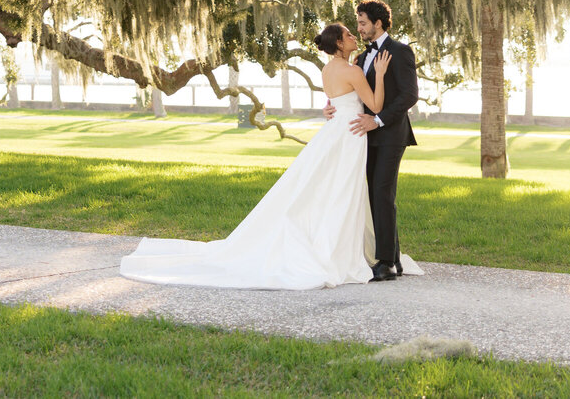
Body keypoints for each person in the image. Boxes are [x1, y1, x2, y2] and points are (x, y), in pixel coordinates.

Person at [117, 22, 390, 289]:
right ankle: (336, 251)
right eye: (349, 34)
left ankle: (335, 244)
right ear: (340, 43)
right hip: (350, 135)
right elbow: (375, 105)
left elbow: (336, 101)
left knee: (328, 191)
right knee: (342, 192)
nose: (355, 37)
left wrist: (329, 110)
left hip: (334, 132)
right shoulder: (353, 71)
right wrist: (379, 74)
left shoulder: (328, 69)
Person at [325, 0, 419, 281]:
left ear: (378, 23)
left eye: (363, 23)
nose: (359, 28)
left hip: (391, 134)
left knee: (382, 192)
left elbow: (408, 95)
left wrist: (377, 120)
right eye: (357, 24)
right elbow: (355, 96)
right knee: (375, 195)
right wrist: (333, 107)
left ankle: (386, 262)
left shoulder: (400, 52)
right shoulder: (362, 58)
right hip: (364, 137)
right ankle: (394, 256)